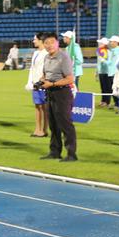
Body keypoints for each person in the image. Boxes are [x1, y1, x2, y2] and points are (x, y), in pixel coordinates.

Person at [39, 32, 77, 162]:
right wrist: (42, 80)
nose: (49, 45)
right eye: (46, 43)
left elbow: (70, 79)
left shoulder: (63, 57)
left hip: (62, 93)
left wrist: (53, 83)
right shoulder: (46, 58)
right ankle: (54, 151)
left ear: (57, 42)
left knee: (65, 124)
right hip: (50, 92)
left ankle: (71, 154)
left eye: (51, 42)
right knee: (53, 124)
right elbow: (45, 74)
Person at [26, 32, 48, 138]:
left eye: (35, 39)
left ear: (41, 40)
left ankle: (44, 129)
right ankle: (37, 129)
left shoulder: (46, 53)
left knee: (44, 107)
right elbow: (32, 68)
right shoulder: (35, 53)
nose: (33, 41)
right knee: (37, 106)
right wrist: (29, 81)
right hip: (35, 84)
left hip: (43, 84)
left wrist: (43, 79)